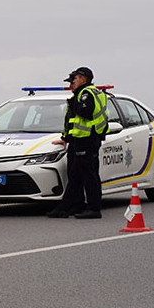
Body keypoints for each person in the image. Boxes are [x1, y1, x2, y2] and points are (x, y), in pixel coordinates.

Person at [48, 67, 110, 219]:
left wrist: (74, 102)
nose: (71, 85)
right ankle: (68, 206)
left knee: (88, 175)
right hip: (82, 139)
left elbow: (85, 113)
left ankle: (93, 208)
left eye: (73, 80)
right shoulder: (92, 93)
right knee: (77, 175)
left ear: (83, 78)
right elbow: (73, 122)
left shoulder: (85, 94)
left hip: (86, 140)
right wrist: (66, 139)